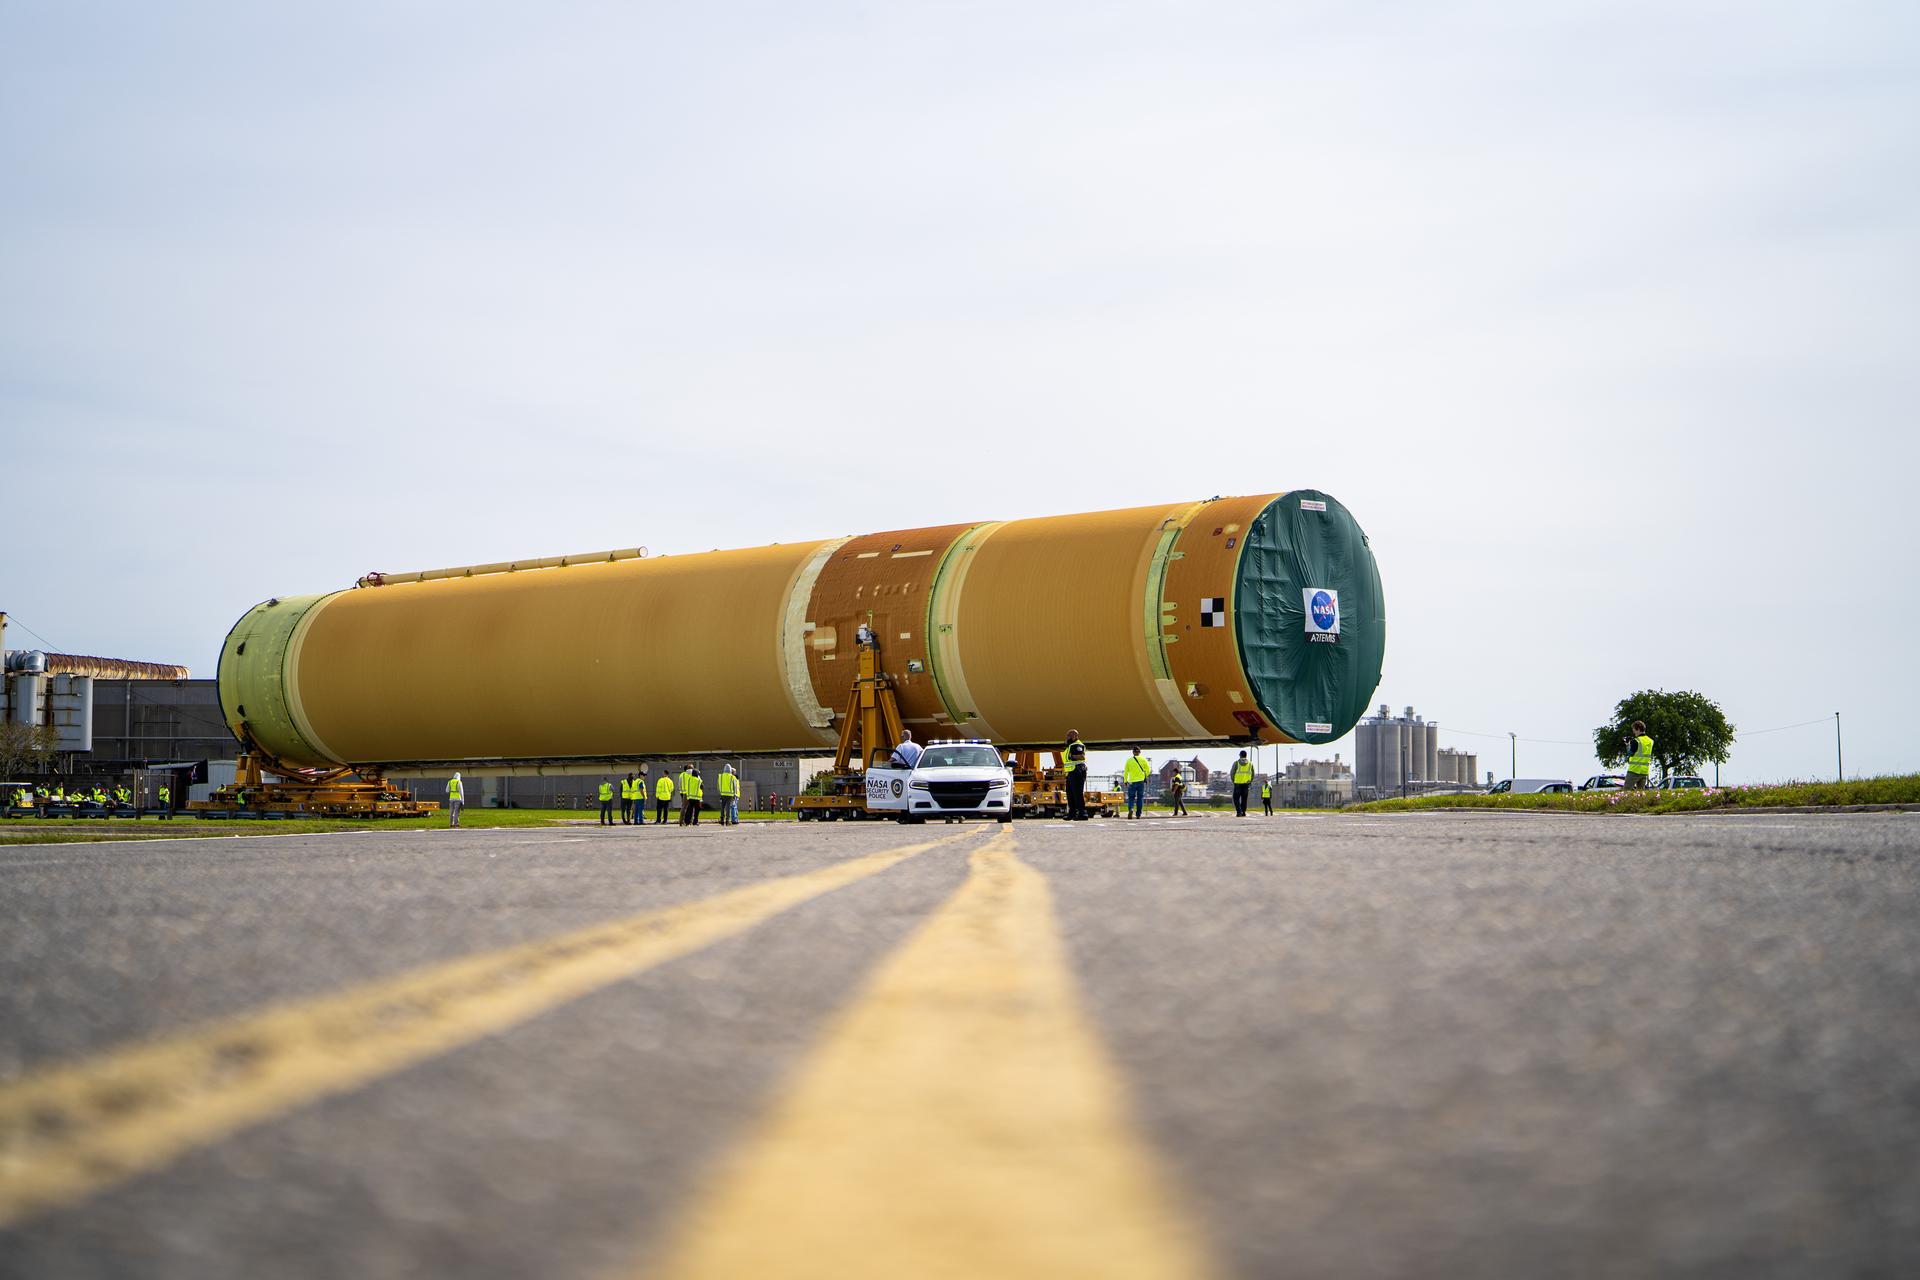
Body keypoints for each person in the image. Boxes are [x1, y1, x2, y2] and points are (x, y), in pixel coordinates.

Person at [1063, 730, 1088, 821]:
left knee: (1077, 794)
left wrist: (1072, 756)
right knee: (1070, 794)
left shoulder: (1077, 745)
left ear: (1075, 736)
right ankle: (1072, 813)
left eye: (1069, 736)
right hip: (1071, 772)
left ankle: (1082, 813)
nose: (1067, 738)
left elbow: (1082, 756)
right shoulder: (1070, 746)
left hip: (1077, 771)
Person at [1122, 747, 1151, 819]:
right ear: (1139, 752)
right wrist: (1145, 776)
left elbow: (1126, 772)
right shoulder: (1143, 760)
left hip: (1132, 781)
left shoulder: (1129, 760)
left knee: (1131, 797)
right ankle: (1138, 814)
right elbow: (1148, 770)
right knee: (1140, 798)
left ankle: (1131, 808)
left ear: (1133, 752)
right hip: (1141, 781)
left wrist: (1125, 781)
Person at [1626, 721, 1654, 789]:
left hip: (1634, 770)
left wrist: (1627, 745)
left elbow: (1630, 754)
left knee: (1625, 791)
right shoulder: (1651, 741)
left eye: (1634, 730)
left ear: (1638, 729)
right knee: (1640, 794)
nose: (1633, 732)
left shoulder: (1636, 741)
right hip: (1644, 771)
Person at [1230, 751, 1254, 817]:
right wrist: (1250, 781)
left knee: (1236, 798)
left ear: (1240, 755)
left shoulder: (1236, 763)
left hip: (1237, 783)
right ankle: (1243, 812)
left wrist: (1234, 781)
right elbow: (1253, 774)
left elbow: (1232, 773)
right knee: (1244, 799)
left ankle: (1239, 811)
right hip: (1246, 784)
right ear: (1246, 755)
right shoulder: (1250, 763)